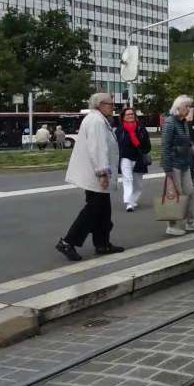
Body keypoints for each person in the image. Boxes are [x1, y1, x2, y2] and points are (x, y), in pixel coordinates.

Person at [56, 93, 124, 261]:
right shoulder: (96, 121)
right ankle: (68, 241)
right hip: (96, 174)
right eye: (110, 103)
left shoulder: (97, 119)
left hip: (95, 172)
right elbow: (98, 148)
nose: (113, 106)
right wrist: (102, 172)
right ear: (99, 104)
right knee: (93, 209)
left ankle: (102, 243)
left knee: (103, 210)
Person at [161, 95, 194, 236]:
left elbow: (185, 138)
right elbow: (165, 146)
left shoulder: (183, 122)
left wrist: (190, 144)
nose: (188, 109)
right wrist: (167, 168)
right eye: (186, 107)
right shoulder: (169, 123)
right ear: (177, 107)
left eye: (189, 107)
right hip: (174, 164)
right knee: (174, 194)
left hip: (184, 163)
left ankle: (190, 222)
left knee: (189, 192)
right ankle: (171, 224)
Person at [116, 106, 151, 212]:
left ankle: (134, 199)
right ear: (123, 117)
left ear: (135, 116)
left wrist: (145, 149)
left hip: (139, 157)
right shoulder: (120, 129)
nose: (130, 116)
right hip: (125, 157)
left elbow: (146, 142)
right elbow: (117, 143)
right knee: (128, 180)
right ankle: (129, 203)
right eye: (127, 114)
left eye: (131, 114)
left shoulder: (140, 127)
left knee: (138, 182)